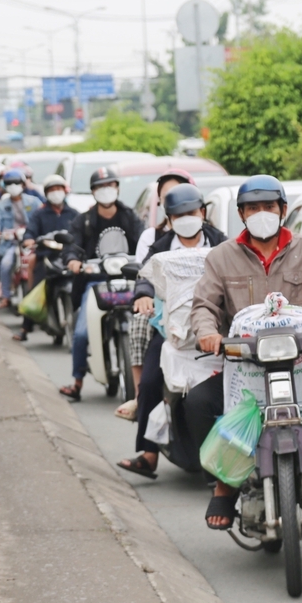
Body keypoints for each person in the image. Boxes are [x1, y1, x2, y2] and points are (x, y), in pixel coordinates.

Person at [187, 174, 302, 530]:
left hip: (299, 366)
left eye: (269, 207)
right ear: (241, 214)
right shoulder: (221, 257)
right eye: (253, 208)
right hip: (243, 369)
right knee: (197, 404)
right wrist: (208, 332)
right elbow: (203, 305)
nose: (262, 214)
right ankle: (225, 483)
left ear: (283, 210)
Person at [116, 183, 227, 478]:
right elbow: (145, 275)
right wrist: (141, 294)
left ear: (203, 212)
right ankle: (149, 454)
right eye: (179, 214)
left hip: (215, 329)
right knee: (151, 380)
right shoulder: (161, 246)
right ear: (169, 219)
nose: (186, 218)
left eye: (192, 212)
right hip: (172, 334)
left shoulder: (220, 242)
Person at [116, 169, 196, 421]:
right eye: (170, 197)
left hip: (203, 310)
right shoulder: (155, 240)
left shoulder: (214, 238)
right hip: (164, 310)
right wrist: (144, 296)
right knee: (140, 322)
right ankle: (141, 397)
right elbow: (146, 274)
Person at [59, 167, 145, 401]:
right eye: (100, 187)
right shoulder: (84, 220)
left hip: (128, 281)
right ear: (93, 192)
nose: (106, 191)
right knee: (80, 334)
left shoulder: (130, 217)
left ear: (117, 188)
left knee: (150, 326)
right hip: (94, 283)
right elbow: (71, 246)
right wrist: (74, 260)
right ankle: (77, 382)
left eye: (110, 185)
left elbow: (145, 243)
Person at [12, 174, 80, 341]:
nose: (56, 193)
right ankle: (25, 327)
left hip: (69, 257)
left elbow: (82, 232)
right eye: (52, 190)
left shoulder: (74, 213)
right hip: (47, 257)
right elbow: (30, 233)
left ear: (65, 191)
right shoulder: (39, 214)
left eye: (59, 189)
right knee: (37, 287)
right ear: (46, 193)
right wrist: (29, 240)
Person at [0, 169, 43, 309]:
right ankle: (6, 296)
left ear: (22, 184)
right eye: (9, 183)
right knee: (6, 264)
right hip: (12, 243)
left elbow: (42, 215)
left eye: (16, 183)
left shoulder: (33, 201)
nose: (13, 186)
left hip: (32, 242)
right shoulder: (2, 204)